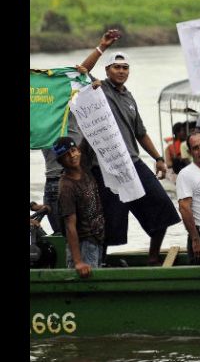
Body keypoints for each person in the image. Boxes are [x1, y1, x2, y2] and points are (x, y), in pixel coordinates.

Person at [85, 49, 181, 266]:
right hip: (106, 166)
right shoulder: (97, 89)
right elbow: (81, 71)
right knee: (108, 220)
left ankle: (153, 256)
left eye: (125, 67)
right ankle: (100, 262)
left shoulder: (129, 97)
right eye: (116, 67)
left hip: (133, 163)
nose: (121, 71)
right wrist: (101, 47)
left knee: (162, 206)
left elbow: (141, 133)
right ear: (107, 70)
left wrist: (158, 157)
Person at [39, 29, 120, 234]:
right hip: (58, 183)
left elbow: (81, 72)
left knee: (89, 235)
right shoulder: (40, 122)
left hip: (81, 180)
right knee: (67, 238)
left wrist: (102, 47)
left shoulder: (72, 112)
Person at [52, 135, 105, 279]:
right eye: (66, 155)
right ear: (60, 161)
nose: (72, 156)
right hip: (83, 245)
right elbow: (70, 226)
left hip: (97, 239)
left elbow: (90, 136)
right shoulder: (67, 187)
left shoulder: (84, 167)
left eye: (74, 150)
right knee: (87, 286)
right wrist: (78, 262)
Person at [175, 132, 200, 265]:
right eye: (196, 148)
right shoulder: (186, 174)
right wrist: (196, 240)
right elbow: (184, 208)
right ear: (190, 152)